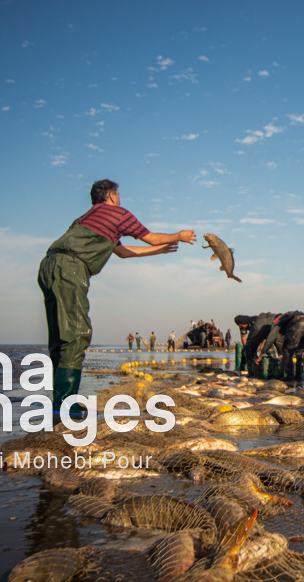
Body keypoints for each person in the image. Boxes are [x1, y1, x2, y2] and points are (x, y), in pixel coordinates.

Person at [37, 178, 196, 417]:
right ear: (111, 196)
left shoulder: (85, 220)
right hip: (70, 267)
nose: (120, 198)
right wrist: (178, 236)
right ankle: (65, 405)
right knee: (77, 334)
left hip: (49, 264)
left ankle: (59, 401)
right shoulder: (117, 213)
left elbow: (121, 252)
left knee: (60, 336)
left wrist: (159, 250)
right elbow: (150, 237)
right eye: (118, 194)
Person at [259, 311, 304, 383]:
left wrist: (262, 353)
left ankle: (290, 376)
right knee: (300, 351)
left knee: (287, 350)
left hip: (299, 323)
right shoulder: (288, 316)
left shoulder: (277, 321)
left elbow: (271, 338)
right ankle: (298, 377)